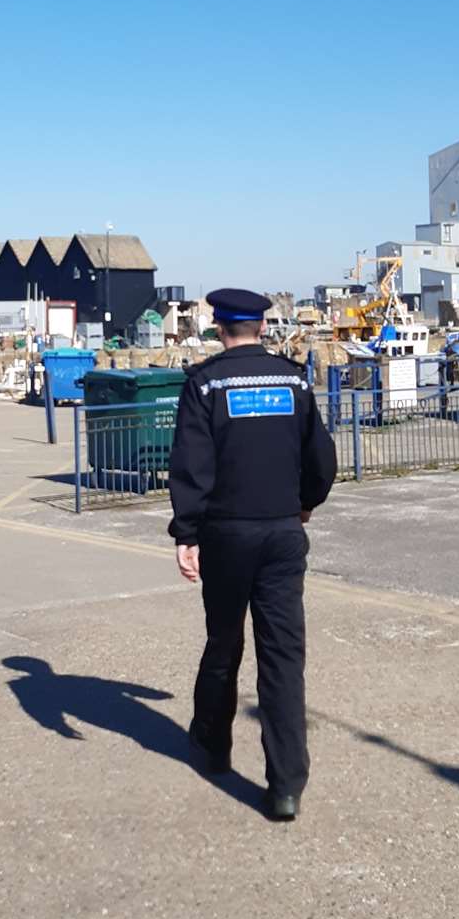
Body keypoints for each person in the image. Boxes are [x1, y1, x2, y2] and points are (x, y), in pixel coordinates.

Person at [168, 289, 337, 822]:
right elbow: (321, 458)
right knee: (283, 658)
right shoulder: (294, 379)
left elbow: (193, 467)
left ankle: (214, 746)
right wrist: (305, 504)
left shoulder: (205, 383)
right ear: (262, 327)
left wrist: (186, 534)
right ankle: (286, 786)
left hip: (226, 536)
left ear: (219, 327)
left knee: (224, 642)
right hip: (284, 533)